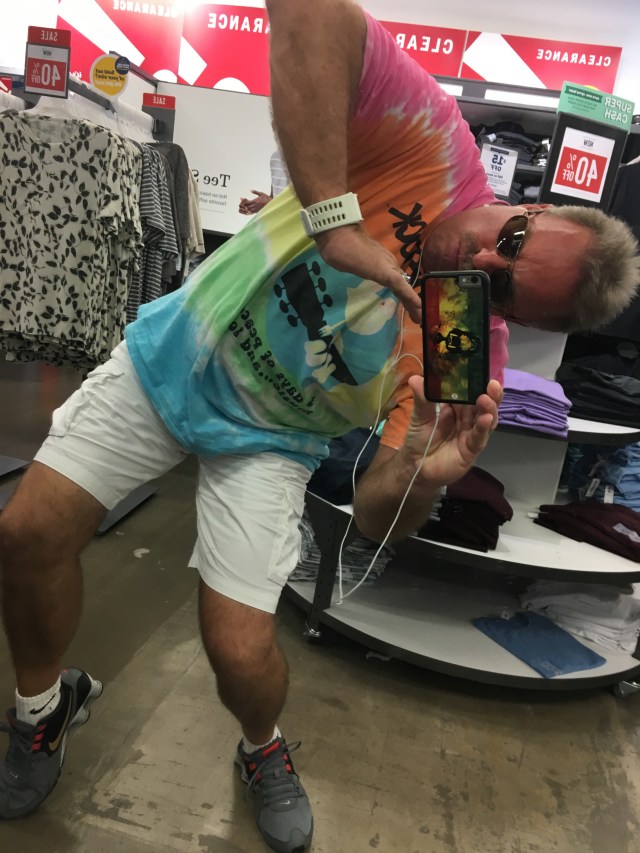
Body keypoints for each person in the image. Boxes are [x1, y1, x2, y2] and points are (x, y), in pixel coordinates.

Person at [0, 1, 638, 850]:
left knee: (239, 654)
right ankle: (42, 709)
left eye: (506, 286)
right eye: (514, 236)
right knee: (27, 533)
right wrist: (334, 222)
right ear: (533, 204)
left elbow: (374, 519)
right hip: (174, 355)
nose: (484, 257)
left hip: (274, 442)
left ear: (518, 323)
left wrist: (420, 467)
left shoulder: (458, 360)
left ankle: (262, 746)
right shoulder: (436, 144)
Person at [239, 148, 290, 215]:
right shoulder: (276, 157)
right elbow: (274, 198)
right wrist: (252, 206)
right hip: (277, 220)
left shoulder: (303, 157)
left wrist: (270, 203)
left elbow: (303, 206)